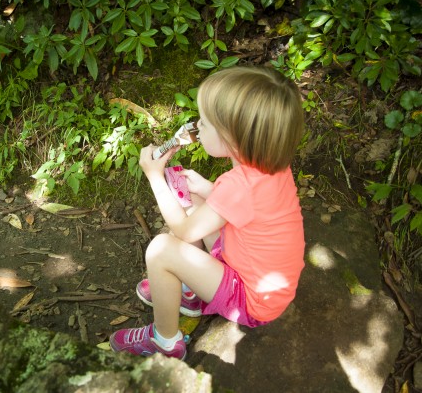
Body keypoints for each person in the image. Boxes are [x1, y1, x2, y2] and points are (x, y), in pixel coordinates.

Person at [109, 66, 306, 360]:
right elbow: (247, 208)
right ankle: (189, 291)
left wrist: (154, 176)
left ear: (232, 138)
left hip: (251, 300)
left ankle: (164, 340)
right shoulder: (269, 166)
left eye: (206, 122)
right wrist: (206, 188)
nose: (197, 125)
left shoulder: (238, 185)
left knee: (161, 249)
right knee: (197, 202)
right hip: (264, 282)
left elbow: (185, 231)